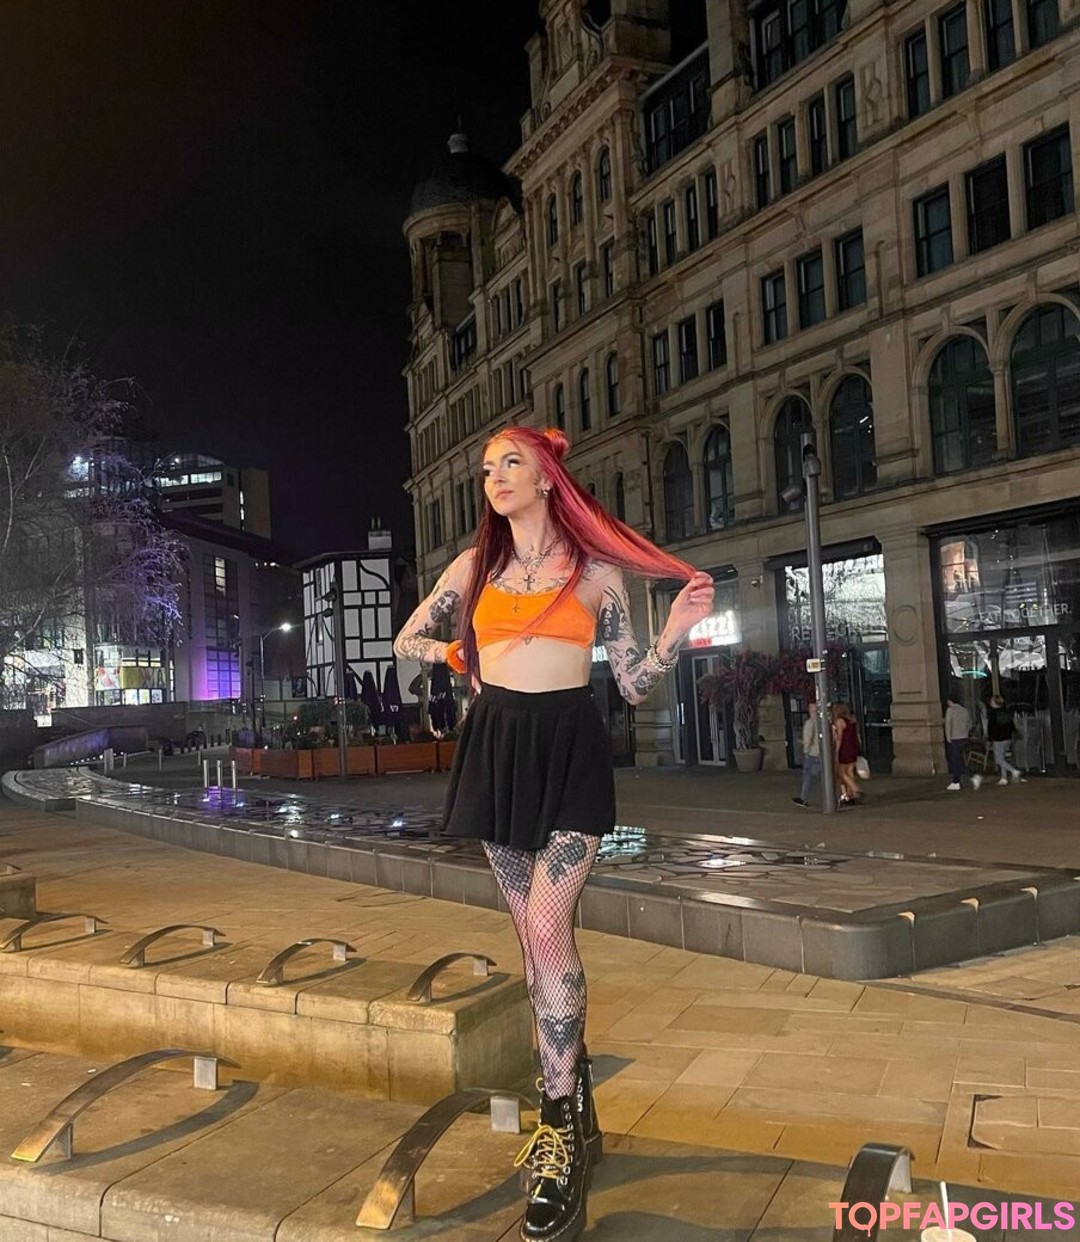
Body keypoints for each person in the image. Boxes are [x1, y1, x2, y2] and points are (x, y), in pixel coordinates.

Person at [393, 425, 713, 1242]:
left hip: (570, 749)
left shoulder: (598, 574)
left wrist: (675, 628)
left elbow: (633, 684)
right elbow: (405, 640)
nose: (495, 476)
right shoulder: (473, 569)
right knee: (533, 949)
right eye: (487, 468)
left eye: (512, 463)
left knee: (546, 925)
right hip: (497, 749)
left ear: (546, 480)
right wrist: (457, 655)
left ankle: (560, 1122)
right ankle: (572, 1102)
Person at [944, 694, 982, 791]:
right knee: (958, 759)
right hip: (964, 737)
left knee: (955, 760)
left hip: (954, 738)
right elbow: (970, 723)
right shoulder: (964, 710)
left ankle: (968, 777)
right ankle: (956, 781)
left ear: (950, 701)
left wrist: (948, 738)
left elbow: (948, 725)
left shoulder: (950, 710)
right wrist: (965, 731)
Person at [987, 693, 1024, 785]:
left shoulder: (992, 713)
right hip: (1007, 738)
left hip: (998, 738)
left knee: (999, 760)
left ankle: (1014, 771)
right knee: (1002, 758)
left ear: (994, 702)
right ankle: (1003, 778)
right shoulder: (1006, 712)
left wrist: (989, 739)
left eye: (991, 700)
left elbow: (990, 727)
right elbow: (1012, 725)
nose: (990, 702)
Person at [792, 700, 821, 807]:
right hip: (823, 753)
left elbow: (808, 739)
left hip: (813, 754)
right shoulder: (823, 722)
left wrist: (806, 751)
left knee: (808, 776)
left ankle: (803, 798)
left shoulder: (810, 723)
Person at [832, 702, 863, 803]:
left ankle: (855, 789)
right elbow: (857, 735)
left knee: (841, 772)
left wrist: (836, 751)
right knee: (850, 771)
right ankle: (851, 795)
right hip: (853, 747)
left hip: (845, 748)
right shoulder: (852, 720)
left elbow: (839, 738)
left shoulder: (839, 721)